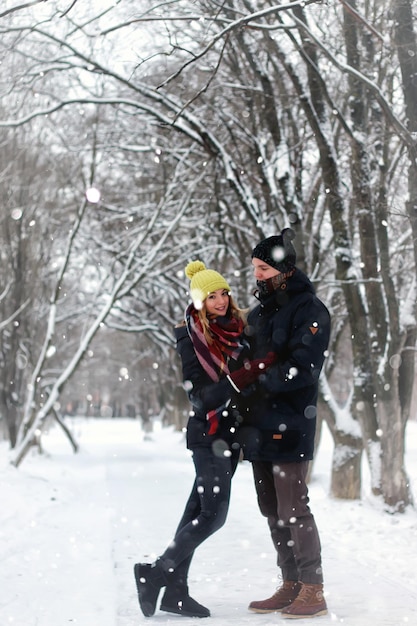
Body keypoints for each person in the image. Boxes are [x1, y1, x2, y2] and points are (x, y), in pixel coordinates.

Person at [133, 260, 275, 619]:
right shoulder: (191, 336)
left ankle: (175, 592)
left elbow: (250, 385)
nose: (220, 301)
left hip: (231, 437)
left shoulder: (240, 331)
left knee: (194, 513)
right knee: (213, 515)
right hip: (207, 435)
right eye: (211, 296)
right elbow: (201, 397)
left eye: (223, 293)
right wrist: (238, 378)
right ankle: (155, 574)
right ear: (200, 301)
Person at [236, 228, 330, 619]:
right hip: (259, 426)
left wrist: (259, 380)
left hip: (290, 424)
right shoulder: (259, 313)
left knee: (293, 507)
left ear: (284, 270)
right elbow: (245, 361)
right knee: (270, 507)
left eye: (262, 267)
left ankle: (313, 587)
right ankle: (290, 582)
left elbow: (303, 369)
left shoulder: (310, 310)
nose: (256, 274)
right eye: (254, 267)